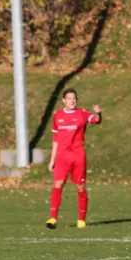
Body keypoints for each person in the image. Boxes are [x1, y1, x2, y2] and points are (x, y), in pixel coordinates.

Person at [46, 88, 102, 230]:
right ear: (64, 100)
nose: (72, 101)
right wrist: (52, 159)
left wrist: (98, 113)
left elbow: (95, 120)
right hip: (62, 156)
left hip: (78, 156)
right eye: (69, 98)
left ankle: (81, 219)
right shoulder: (57, 115)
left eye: (74, 98)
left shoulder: (82, 114)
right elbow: (56, 139)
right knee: (58, 184)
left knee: (80, 187)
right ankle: (53, 218)